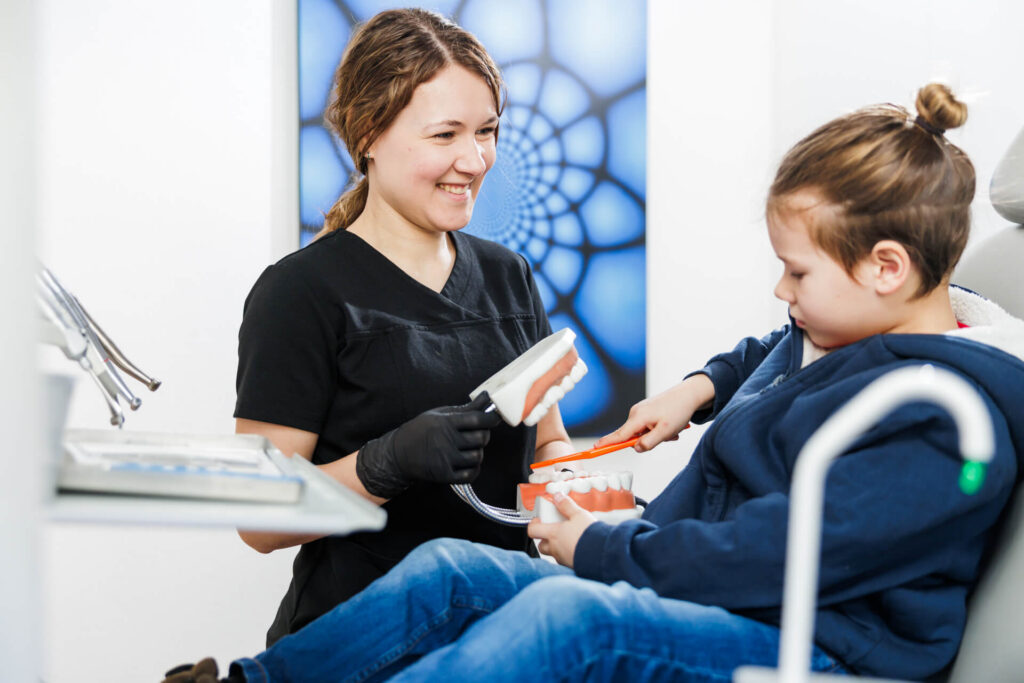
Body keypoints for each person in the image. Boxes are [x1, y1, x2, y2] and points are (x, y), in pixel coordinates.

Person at [166, 83, 1024, 683]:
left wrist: (606, 548)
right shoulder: (846, 328)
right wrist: (699, 388)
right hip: (722, 590)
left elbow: (776, 553)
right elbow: (774, 352)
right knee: (451, 568)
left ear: (885, 268)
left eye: (796, 273)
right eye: (444, 135)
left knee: (567, 621)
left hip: (815, 640)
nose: (780, 292)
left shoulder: (942, 417)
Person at [232, 7, 572, 648]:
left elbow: (549, 443)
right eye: (445, 135)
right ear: (369, 134)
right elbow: (258, 518)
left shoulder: (509, 276)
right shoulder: (301, 293)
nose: (474, 160)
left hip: (504, 634)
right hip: (361, 644)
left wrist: (571, 499)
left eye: (487, 131)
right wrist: (384, 464)